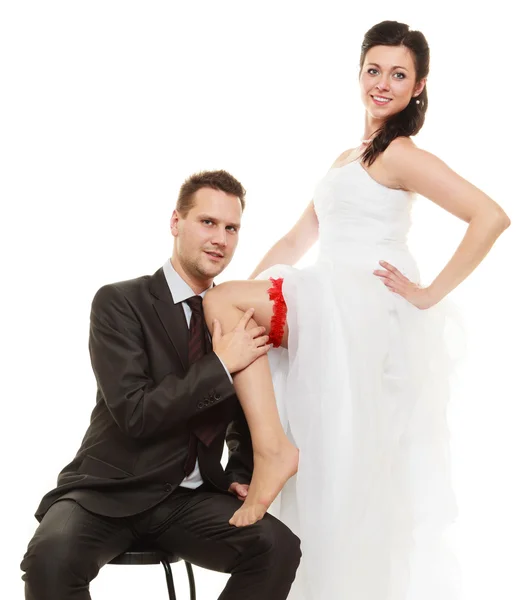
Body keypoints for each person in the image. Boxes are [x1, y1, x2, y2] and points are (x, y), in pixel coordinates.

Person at [202, 21, 511, 599]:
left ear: (419, 86)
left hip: (361, 302)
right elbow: (296, 241)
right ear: (359, 73)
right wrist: (247, 285)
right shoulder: (350, 155)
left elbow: (490, 216)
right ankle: (257, 458)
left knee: (219, 301)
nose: (383, 83)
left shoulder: (401, 153)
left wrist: (427, 294)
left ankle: (269, 454)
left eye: (399, 74)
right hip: (328, 290)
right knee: (226, 306)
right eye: (374, 70)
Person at [20, 170, 301, 600]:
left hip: (186, 500)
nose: (220, 239)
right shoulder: (119, 303)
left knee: (278, 548)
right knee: (50, 561)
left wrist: (238, 475)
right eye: (207, 222)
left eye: (231, 228)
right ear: (176, 223)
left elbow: (248, 413)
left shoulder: (233, 314)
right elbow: (136, 413)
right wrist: (221, 364)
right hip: (107, 491)